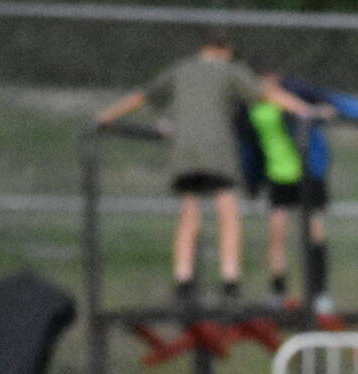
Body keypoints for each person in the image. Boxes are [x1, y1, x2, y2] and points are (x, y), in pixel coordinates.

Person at [94, 31, 318, 304]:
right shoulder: (229, 69)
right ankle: (230, 280)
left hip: (184, 152)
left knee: (189, 213)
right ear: (226, 50)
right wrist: (303, 108)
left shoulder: (180, 69)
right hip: (217, 152)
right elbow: (266, 93)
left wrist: (107, 115)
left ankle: (183, 280)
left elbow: (143, 96)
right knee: (227, 211)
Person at [237, 71, 358, 314]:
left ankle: (320, 293)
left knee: (315, 232)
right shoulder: (249, 107)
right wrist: (252, 182)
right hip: (279, 177)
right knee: (276, 234)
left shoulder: (296, 94)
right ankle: (278, 292)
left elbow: (334, 102)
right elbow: (249, 148)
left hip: (308, 172)